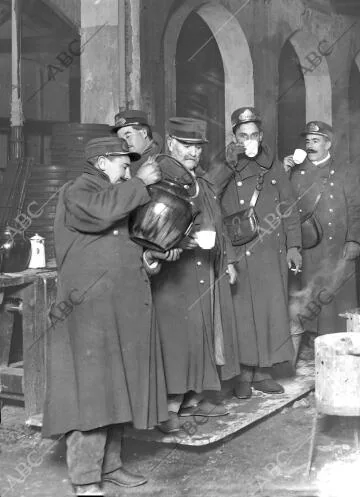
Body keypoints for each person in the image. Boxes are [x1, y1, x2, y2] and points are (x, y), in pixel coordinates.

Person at [43, 137, 177, 496]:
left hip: (115, 309)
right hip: (88, 311)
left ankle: (111, 466)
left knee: (116, 387)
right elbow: (101, 214)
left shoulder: (112, 192)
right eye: (123, 162)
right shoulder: (78, 191)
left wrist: (148, 259)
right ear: (102, 162)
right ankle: (86, 480)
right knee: (91, 394)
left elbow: (121, 240)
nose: (128, 169)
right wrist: (140, 184)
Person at [151, 117, 241, 434]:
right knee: (175, 341)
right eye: (186, 145)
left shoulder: (200, 181)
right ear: (170, 143)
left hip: (205, 268)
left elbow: (219, 223)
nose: (193, 152)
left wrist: (228, 260)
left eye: (197, 147)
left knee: (201, 336)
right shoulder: (158, 178)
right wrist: (175, 242)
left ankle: (191, 398)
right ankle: (167, 408)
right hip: (174, 274)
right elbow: (148, 228)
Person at [219, 107, 302, 398]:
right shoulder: (224, 163)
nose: (249, 140)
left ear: (261, 136)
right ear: (234, 137)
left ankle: (264, 371)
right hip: (240, 249)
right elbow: (210, 199)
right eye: (243, 135)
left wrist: (294, 246)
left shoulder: (272, 164)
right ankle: (242, 375)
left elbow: (289, 206)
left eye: (254, 135)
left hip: (270, 250)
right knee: (242, 314)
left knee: (270, 311)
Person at [282, 121, 360, 335]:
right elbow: (284, 207)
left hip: (338, 247)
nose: (310, 145)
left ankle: (339, 344)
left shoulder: (345, 170)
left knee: (338, 300)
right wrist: (284, 173)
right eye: (308, 141)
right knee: (310, 298)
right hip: (309, 245)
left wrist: (354, 239)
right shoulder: (296, 172)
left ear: (328, 144)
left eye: (316, 141)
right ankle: (314, 342)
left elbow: (357, 208)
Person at [112, 109, 163, 174]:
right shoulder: (127, 161)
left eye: (128, 136)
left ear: (144, 133)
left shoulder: (160, 165)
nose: (124, 143)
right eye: (121, 139)